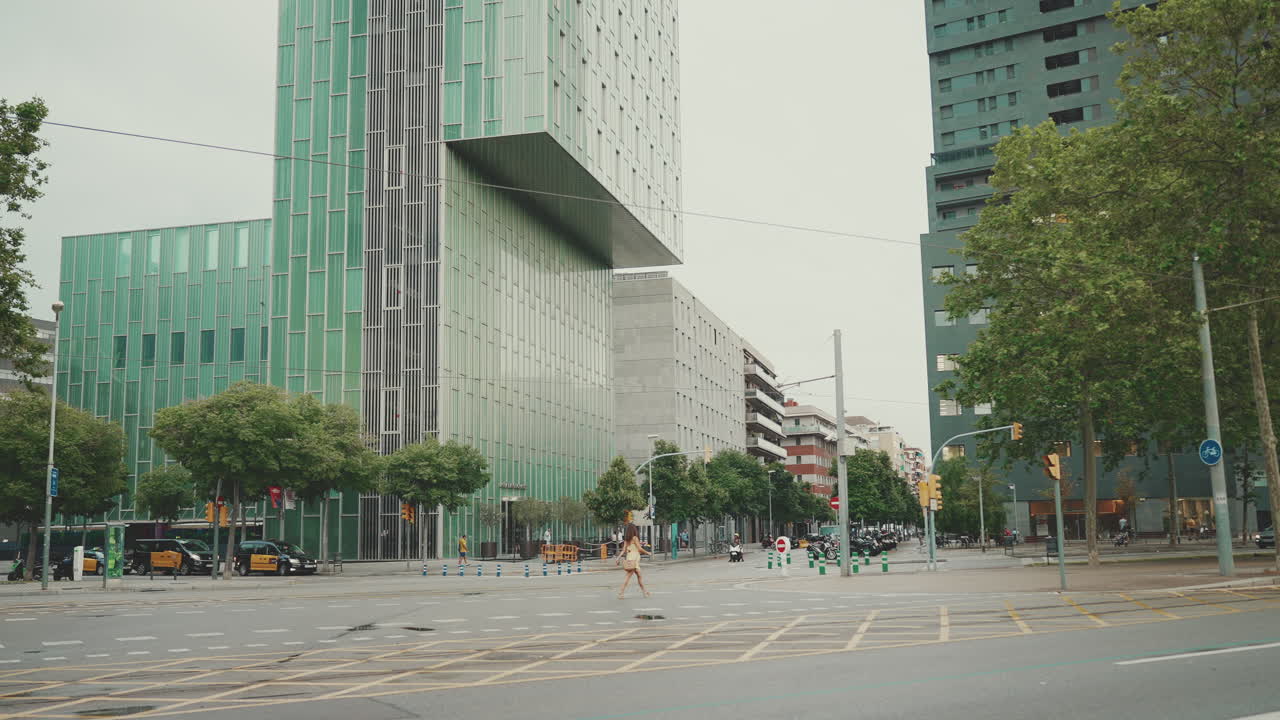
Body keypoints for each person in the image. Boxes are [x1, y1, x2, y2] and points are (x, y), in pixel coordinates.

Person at [615, 523, 651, 599]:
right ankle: (621, 593)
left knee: (639, 576)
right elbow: (639, 549)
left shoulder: (626, 540)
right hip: (634, 560)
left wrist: (618, 558)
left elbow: (623, 550)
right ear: (634, 530)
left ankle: (645, 592)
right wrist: (648, 552)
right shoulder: (635, 538)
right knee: (629, 577)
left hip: (630, 558)